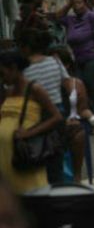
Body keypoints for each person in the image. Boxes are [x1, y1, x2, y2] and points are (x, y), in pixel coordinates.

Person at [0, 51, 63, 194]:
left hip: (25, 153)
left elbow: (56, 117)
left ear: (14, 68)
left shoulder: (35, 89)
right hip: (5, 153)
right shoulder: (8, 92)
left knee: (31, 193)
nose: (2, 79)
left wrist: (28, 133)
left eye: (3, 73)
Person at [18, 28, 68, 184]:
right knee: (56, 160)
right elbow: (67, 84)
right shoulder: (55, 62)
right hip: (58, 114)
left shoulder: (24, 69)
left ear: (25, 48)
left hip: (37, 117)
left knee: (37, 160)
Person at [49, 46, 94, 183]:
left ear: (66, 64)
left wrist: (93, 117)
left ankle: (76, 177)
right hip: (53, 124)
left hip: (73, 124)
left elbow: (82, 109)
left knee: (79, 133)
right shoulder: (46, 84)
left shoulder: (76, 83)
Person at [56, 0, 94, 106]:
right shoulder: (71, 20)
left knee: (93, 90)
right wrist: (68, 4)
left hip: (93, 60)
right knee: (81, 91)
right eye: (74, 4)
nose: (76, 6)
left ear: (85, 4)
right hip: (78, 61)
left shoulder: (92, 16)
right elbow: (57, 17)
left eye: (79, 2)